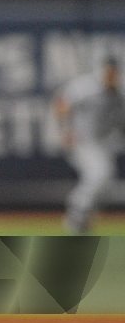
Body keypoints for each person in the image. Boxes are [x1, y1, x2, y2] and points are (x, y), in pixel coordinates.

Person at [55, 57, 125, 234]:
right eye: (108, 71)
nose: (111, 75)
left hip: (104, 143)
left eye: (114, 72)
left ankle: (82, 217)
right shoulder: (86, 87)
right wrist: (65, 130)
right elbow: (62, 104)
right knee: (100, 174)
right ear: (102, 71)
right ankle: (78, 209)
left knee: (105, 182)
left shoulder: (120, 93)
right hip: (81, 140)